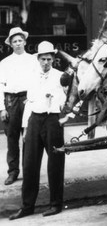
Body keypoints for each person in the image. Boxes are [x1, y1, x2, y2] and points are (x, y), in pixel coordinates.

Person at [9, 41, 66, 220]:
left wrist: (61, 111)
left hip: (53, 121)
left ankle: (55, 204)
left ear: (53, 60)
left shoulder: (61, 76)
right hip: (34, 120)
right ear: (38, 59)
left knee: (55, 163)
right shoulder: (31, 77)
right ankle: (27, 206)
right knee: (29, 164)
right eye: (43, 59)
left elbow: (70, 100)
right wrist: (26, 127)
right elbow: (29, 103)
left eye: (49, 59)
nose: (46, 62)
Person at [0, 27, 38, 186]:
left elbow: (37, 81)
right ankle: (13, 172)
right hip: (11, 101)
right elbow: (0, 85)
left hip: (27, 99)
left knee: (29, 137)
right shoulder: (4, 63)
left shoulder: (33, 60)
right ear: (10, 44)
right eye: (14, 41)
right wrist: (2, 108)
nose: (17, 44)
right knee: (12, 138)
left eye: (20, 40)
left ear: (25, 42)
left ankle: (28, 171)